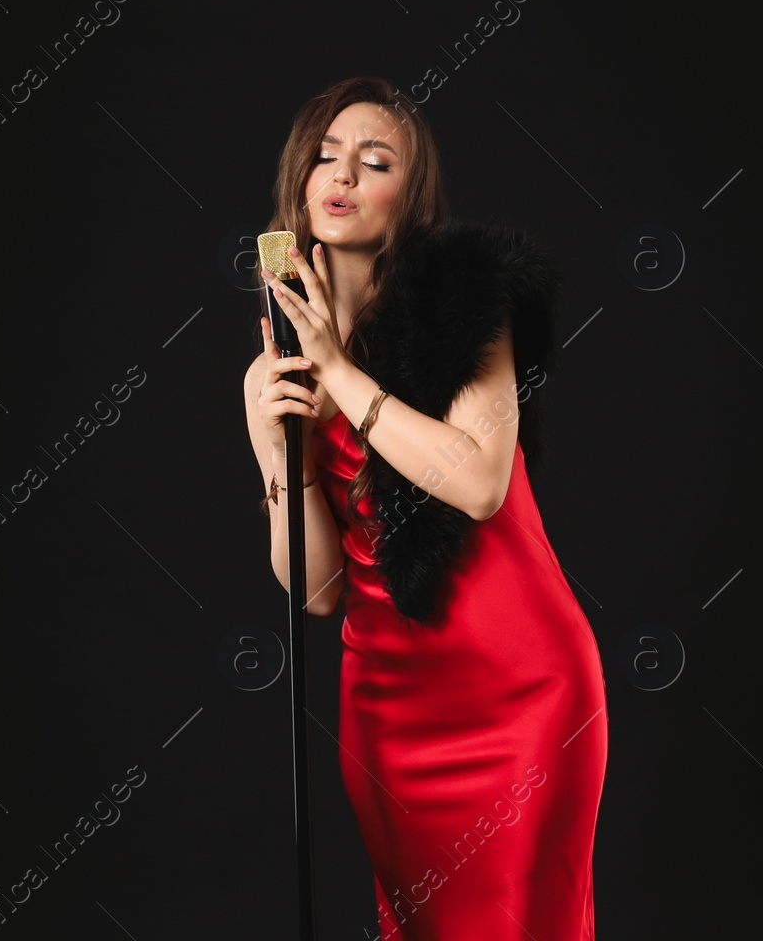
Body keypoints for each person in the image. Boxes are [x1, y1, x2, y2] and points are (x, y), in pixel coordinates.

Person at [242, 76, 608, 938]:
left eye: (375, 162)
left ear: (412, 198)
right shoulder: (280, 369)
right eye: (325, 157)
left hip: (524, 688)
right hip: (390, 712)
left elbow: (480, 482)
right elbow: (321, 590)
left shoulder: (467, 301)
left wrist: (344, 377)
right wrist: (275, 450)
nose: (342, 175)